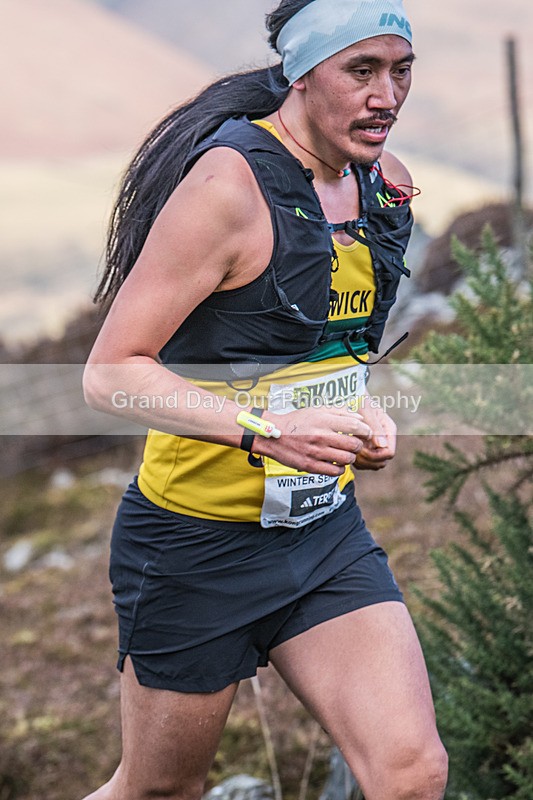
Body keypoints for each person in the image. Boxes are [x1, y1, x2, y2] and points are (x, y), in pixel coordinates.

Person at [82, 1, 448, 798]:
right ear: (301, 73)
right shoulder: (226, 188)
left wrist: (361, 414)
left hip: (323, 536)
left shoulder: (378, 184)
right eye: (361, 70)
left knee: (411, 773)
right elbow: (111, 371)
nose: (386, 95)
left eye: (400, 70)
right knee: (156, 790)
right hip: (193, 547)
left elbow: (324, 348)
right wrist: (265, 430)